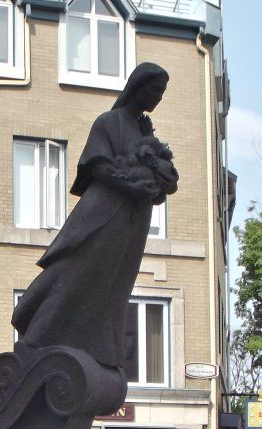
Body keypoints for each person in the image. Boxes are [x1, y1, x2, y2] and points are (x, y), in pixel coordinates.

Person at [12, 63, 179, 366]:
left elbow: (162, 181)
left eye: (163, 92)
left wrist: (158, 182)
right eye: (155, 89)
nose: (158, 97)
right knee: (79, 276)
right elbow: (98, 166)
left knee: (115, 286)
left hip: (131, 225)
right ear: (137, 87)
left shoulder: (146, 132)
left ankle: (100, 351)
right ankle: (38, 337)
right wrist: (134, 184)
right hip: (103, 217)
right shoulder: (109, 122)